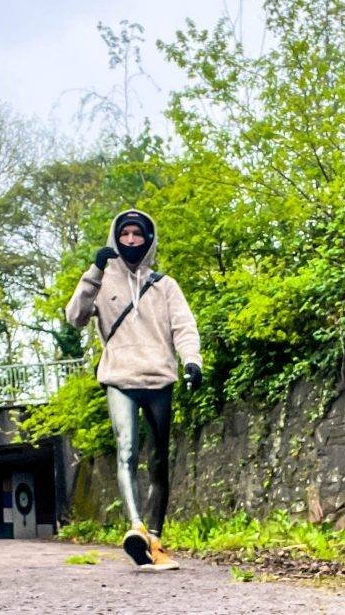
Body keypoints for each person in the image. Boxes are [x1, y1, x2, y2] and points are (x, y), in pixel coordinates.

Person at [65, 209, 203, 570]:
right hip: (119, 377)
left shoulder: (165, 285)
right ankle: (136, 528)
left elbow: (184, 326)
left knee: (159, 461)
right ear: (115, 237)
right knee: (125, 450)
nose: (130, 240)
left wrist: (192, 361)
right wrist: (93, 272)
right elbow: (75, 317)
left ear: (148, 239)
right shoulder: (101, 280)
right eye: (124, 233)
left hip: (159, 377)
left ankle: (155, 540)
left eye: (137, 234)